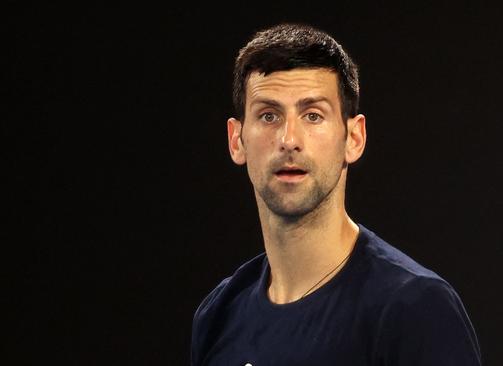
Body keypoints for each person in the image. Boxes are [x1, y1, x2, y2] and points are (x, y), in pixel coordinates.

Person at [191, 23, 482, 366]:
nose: (289, 139)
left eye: (313, 115)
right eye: (268, 115)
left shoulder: (414, 309)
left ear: (354, 138)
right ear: (236, 140)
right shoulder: (219, 315)